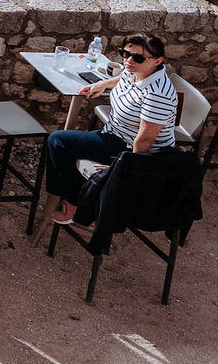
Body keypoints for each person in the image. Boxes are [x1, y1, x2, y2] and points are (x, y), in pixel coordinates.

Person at [43, 31, 180, 226]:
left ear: (158, 61)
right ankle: (69, 193)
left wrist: (124, 170)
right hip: (114, 133)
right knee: (64, 145)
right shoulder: (136, 70)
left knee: (58, 141)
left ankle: (74, 203)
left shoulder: (158, 94)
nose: (128, 61)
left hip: (132, 150)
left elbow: (144, 142)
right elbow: (123, 77)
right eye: (125, 54)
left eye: (138, 57)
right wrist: (101, 84)